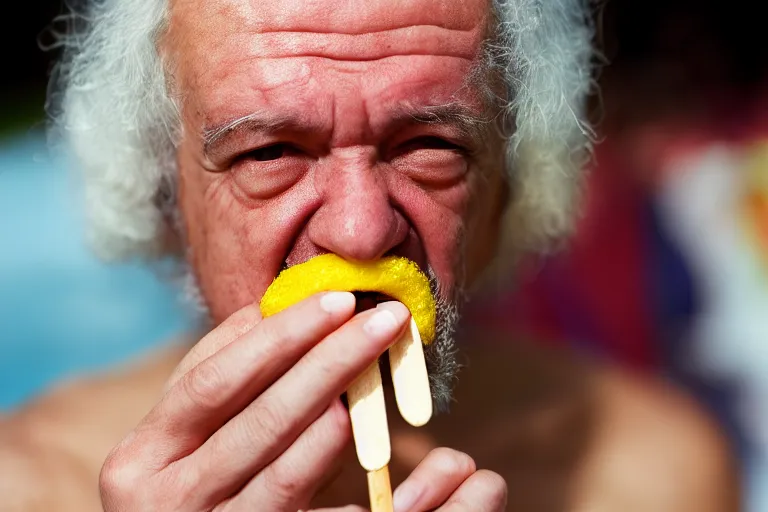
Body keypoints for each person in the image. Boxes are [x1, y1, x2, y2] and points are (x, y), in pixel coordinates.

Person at [0, 0, 740, 510]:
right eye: (271, 152)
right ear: (163, 195)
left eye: (428, 147)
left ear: (511, 186)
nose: (359, 233)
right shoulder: (29, 485)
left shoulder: (651, 473)